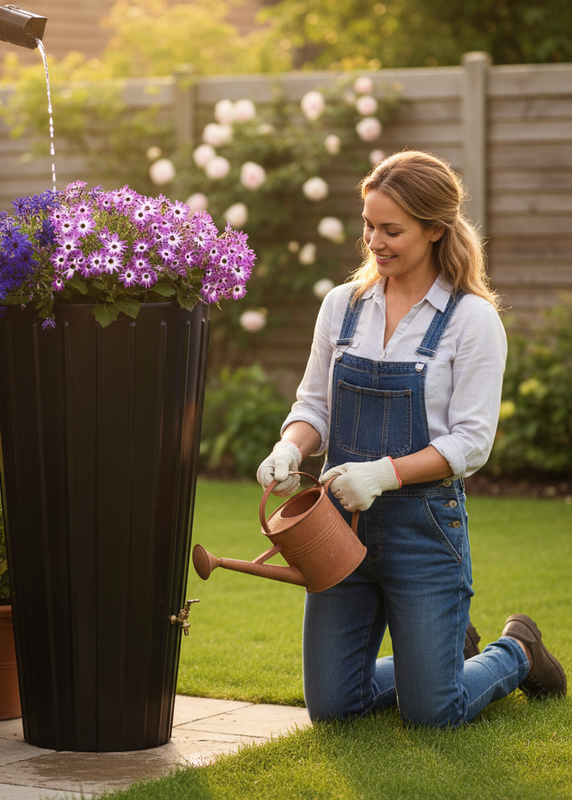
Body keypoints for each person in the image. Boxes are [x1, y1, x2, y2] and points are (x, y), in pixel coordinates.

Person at [257, 150, 566, 727]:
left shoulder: (471, 321)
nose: (374, 241)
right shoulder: (342, 307)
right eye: (369, 225)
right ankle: (441, 655)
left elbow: (471, 443)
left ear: (434, 230)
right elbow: (314, 406)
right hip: (337, 530)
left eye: (391, 230)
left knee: (433, 713)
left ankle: (515, 652)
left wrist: (383, 473)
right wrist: (290, 448)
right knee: (332, 708)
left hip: (422, 532)